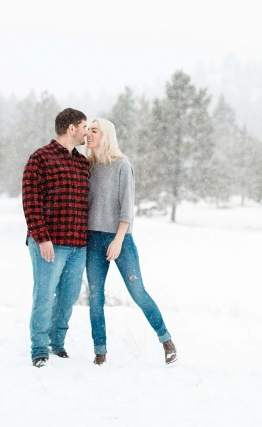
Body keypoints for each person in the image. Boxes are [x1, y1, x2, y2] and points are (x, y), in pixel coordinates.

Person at [85, 117, 177, 365]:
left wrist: (117, 240)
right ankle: (100, 352)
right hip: (92, 239)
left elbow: (127, 208)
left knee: (138, 292)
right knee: (95, 297)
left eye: (94, 131)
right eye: (87, 131)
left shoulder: (122, 165)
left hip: (120, 239)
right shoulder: (87, 166)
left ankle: (166, 340)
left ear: (106, 135)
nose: (88, 135)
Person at [22, 108, 90, 368]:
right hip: (51, 243)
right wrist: (42, 238)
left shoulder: (82, 162)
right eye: (84, 126)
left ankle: (57, 343)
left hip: (78, 245)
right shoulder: (40, 158)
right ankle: (39, 348)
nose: (86, 132)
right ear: (71, 128)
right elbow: (31, 200)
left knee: (68, 296)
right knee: (44, 294)